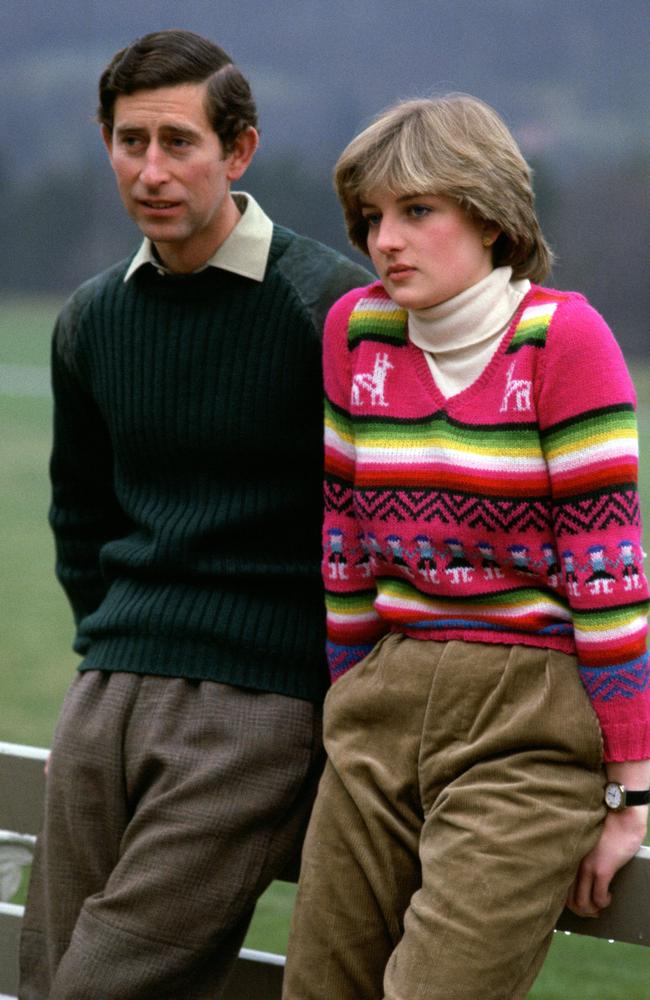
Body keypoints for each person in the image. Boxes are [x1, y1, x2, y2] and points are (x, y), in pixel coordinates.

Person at [19, 28, 371, 1000]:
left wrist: (312, 691)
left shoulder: (328, 308)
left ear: (239, 150)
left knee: (109, 982)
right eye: (131, 141)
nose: (152, 170)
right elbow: (78, 513)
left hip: (259, 701)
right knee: (48, 972)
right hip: (108, 691)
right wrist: (113, 642)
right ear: (105, 142)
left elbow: (370, 525)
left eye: (179, 142)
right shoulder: (91, 317)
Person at [282, 94, 650, 1000]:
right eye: (371, 218)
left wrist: (630, 796)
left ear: (487, 216)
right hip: (382, 704)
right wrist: (351, 700)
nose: (384, 241)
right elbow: (345, 546)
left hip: (527, 719)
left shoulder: (563, 342)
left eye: (415, 211)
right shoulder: (355, 334)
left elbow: (610, 578)